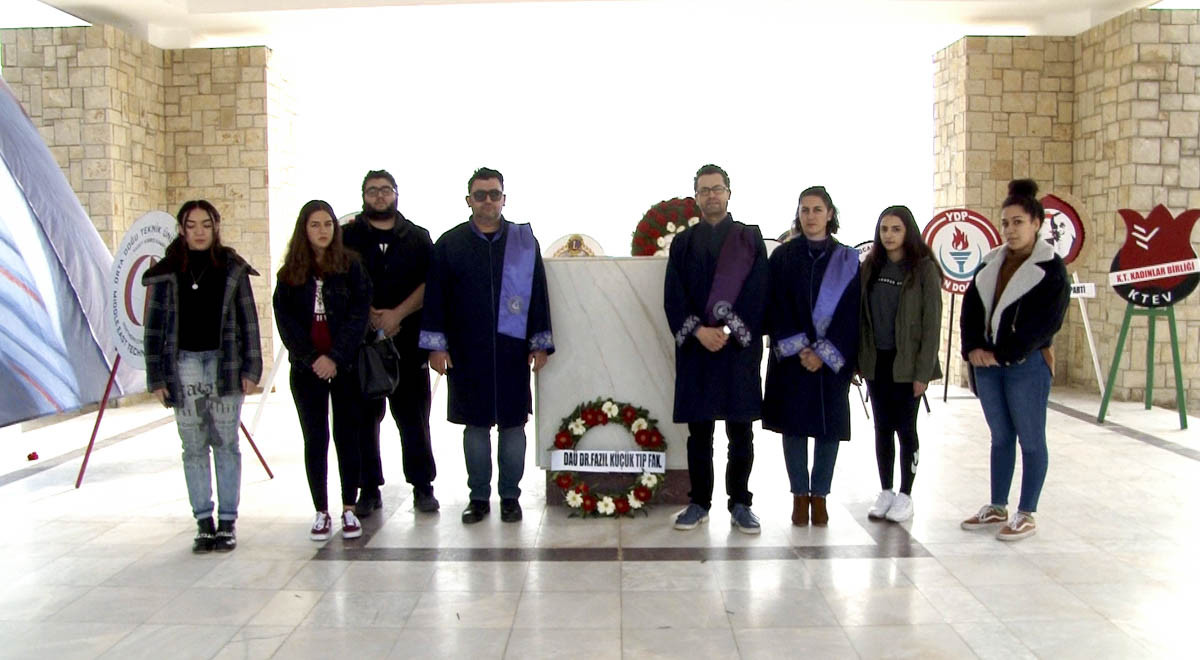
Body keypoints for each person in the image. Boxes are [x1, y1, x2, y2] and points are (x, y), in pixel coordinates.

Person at [420, 167, 553, 524]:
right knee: (475, 426)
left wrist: (540, 343)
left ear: (504, 199)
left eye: (494, 194)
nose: (488, 200)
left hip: (511, 350)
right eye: (481, 195)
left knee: (513, 425)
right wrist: (436, 346)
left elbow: (538, 294)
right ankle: (478, 497)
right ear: (469, 200)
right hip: (467, 350)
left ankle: (510, 496)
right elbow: (436, 299)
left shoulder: (524, 241)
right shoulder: (449, 244)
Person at [143, 200, 262, 553]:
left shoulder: (232, 268)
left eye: (205, 225)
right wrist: (158, 377)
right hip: (184, 364)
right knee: (193, 445)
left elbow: (248, 321)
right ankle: (204, 521)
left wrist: (251, 369)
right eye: (191, 225)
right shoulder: (166, 271)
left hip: (224, 363)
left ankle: (227, 521)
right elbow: (153, 328)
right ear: (182, 229)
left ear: (215, 228)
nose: (198, 231)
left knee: (226, 442)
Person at [959, 179, 1069, 541]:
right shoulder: (991, 262)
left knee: (1031, 439)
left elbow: (1046, 322)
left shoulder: (1051, 269)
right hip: (988, 367)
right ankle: (997, 505)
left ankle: (1027, 512)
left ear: (1036, 223)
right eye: (1005, 222)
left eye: (1018, 221)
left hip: (1025, 366)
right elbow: (971, 309)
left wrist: (1003, 353)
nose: (1010, 229)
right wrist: (973, 348)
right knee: (1000, 437)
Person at [664, 164, 768, 535]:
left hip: (738, 349)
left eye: (717, 188)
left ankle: (740, 503)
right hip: (697, 350)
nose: (712, 195)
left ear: (729, 193)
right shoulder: (683, 244)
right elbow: (674, 297)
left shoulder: (749, 239)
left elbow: (758, 293)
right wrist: (700, 332)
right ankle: (699, 503)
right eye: (704, 190)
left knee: (741, 432)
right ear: (696, 196)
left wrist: (725, 328)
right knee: (700, 433)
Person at [342, 170, 439, 516]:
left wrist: (397, 314)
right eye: (372, 191)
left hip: (407, 343)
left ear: (396, 193)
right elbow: (339, 281)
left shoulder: (417, 237)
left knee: (414, 420)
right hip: (361, 346)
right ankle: (368, 489)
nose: (379, 196)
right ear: (363, 195)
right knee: (364, 421)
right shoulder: (347, 237)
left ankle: (422, 486)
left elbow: (433, 284)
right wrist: (368, 314)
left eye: (385, 190)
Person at [274, 200, 372, 540]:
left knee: (348, 435)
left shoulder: (351, 266)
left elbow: (359, 315)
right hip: (307, 369)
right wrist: (312, 358)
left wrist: (335, 357)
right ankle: (321, 510)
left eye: (328, 224)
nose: (322, 231)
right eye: (315, 225)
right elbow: (286, 323)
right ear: (304, 229)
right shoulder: (289, 274)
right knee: (315, 437)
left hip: (343, 365)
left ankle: (349, 508)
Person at [763, 186, 860, 527]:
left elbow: (852, 312)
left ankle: (819, 496)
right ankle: (798, 495)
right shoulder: (783, 257)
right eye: (804, 210)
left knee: (828, 428)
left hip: (831, 360)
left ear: (830, 214)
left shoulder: (847, 259)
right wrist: (801, 347)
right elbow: (773, 306)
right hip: (792, 359)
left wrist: (824, 352)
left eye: (817, 209)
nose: (810, 216)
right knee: (794, 427)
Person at [858, 206, 943, 523]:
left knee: (906, 428)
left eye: (896, 229)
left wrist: (923, 372)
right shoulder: (871, 267)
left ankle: (906, 493)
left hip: (907, 364)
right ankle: (886, 490)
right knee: (882, 427)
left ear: (908, 231)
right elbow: (862, 317)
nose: (889, 235)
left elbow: (931, 323)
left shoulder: (922, 269)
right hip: (878, 361)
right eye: (884, 229)